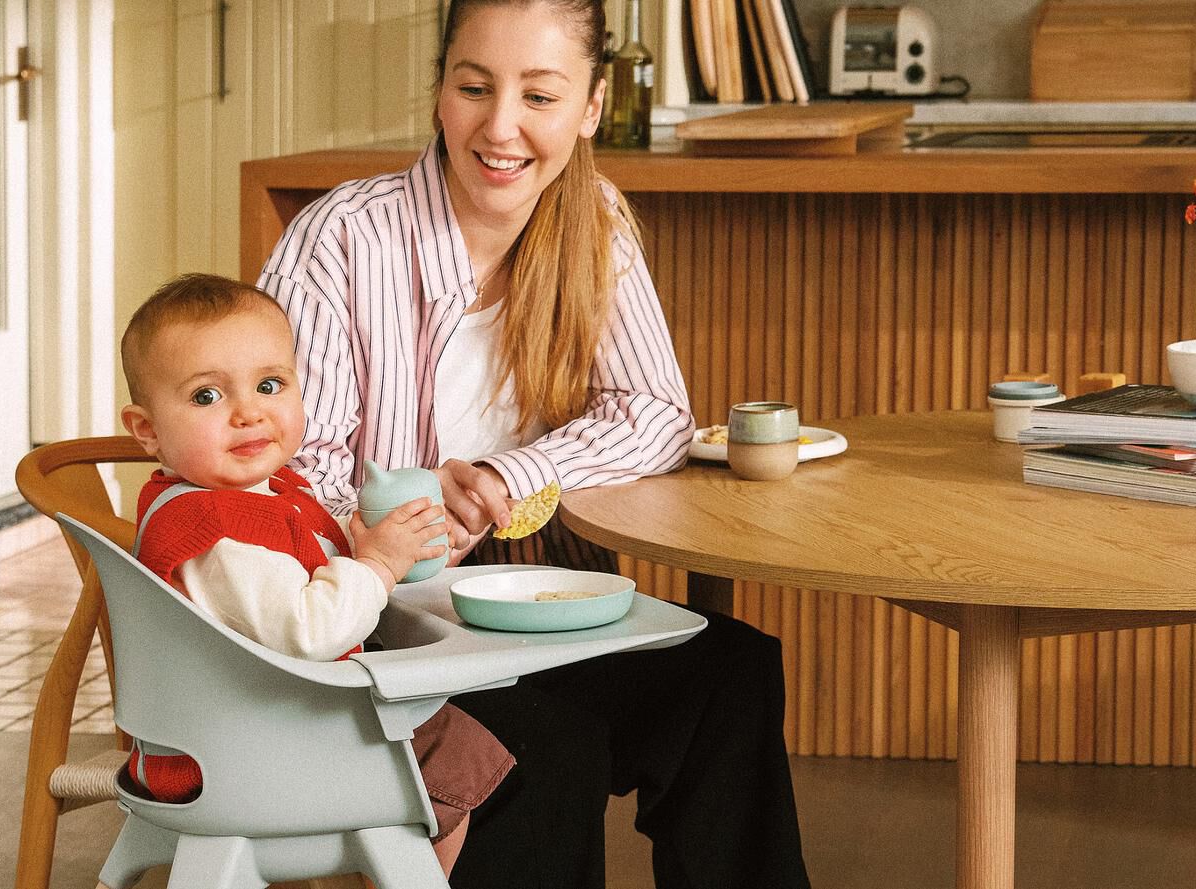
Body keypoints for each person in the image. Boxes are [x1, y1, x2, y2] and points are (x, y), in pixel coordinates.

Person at [256, 1, 810, 887]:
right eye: (474, 86)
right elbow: (275, 481)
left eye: (539, 96)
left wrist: (509, 477)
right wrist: (410, 509)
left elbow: (656, 410)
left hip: (526, 616)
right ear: (441, 90)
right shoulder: (341, 241)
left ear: (590, 108)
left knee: (731, 675)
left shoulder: (593, 219)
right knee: (544, 748)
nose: (500, 127)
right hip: (376, 647)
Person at [115, 272, 515, 875]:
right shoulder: (219, 531)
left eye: (269, 385)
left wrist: (362, 550)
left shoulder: (269, 494)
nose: (248, 413)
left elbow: (296, 584)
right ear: (147, 430)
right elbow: (307, 627)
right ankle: (408, 877)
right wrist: (377, 564)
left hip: (248, 728)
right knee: (444, 746)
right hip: (244, 754)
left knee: (444, 731)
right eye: (207, 397)